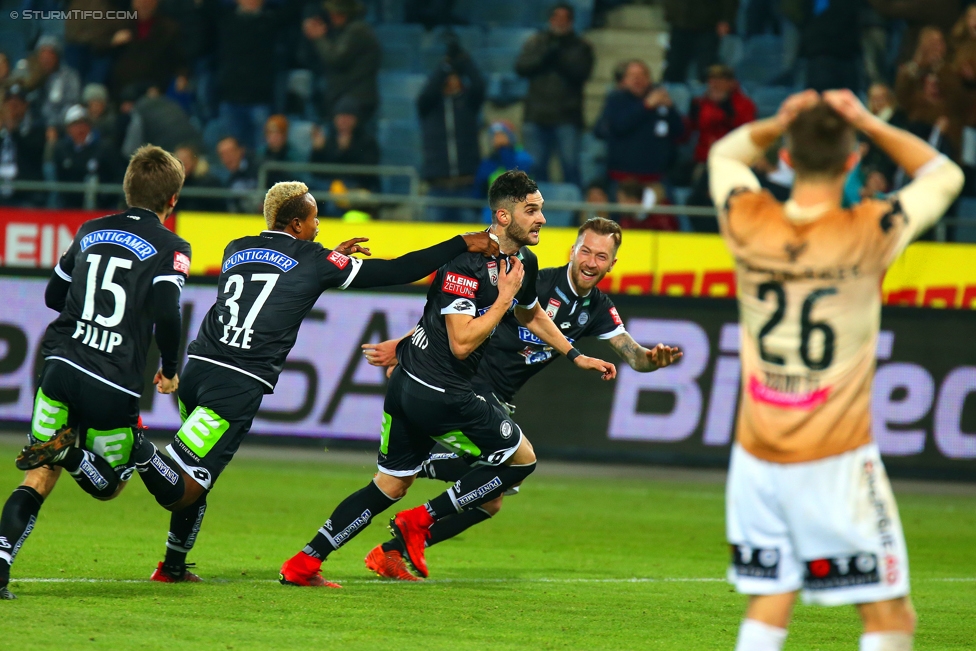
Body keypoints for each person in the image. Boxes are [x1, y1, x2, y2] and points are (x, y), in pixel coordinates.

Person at [118, 180, 500, 582]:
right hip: (235, 384)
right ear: (298, 223)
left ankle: (173, 566)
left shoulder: (236, 247)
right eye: (315, 219)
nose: (319, 226)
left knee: (199, 474)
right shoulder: (314, 259)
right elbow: (396, 270)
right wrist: (460, 242)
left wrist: (329, 259)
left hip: (200, 367)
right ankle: (133, 437)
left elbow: (273, 279)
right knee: (182, 489)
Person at [707, 89, 963, 651]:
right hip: (835, 458)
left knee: (771, 599)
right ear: (852, 161)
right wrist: (867, 120)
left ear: (787, 159)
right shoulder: (869, 228)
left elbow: (724, 156)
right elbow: (944, 174)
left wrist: (781, 120)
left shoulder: (749, 220)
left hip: (755, 455)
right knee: (890, 618)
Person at [278, 171, 617, 587]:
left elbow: (530, 313)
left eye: (541, 209)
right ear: (503, 216)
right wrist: (504, 299)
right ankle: (419, 521)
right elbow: (461, 342)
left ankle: (305, 561)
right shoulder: (467, 260)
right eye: (532, 210)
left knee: (389, 484)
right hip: (442, 391)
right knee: (520, 458)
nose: (541, 218)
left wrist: (574, 353)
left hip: (409, 385)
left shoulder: (523, 262)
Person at [360, 217, 682, 580]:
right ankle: (415, 481)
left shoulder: (597, 309)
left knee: (492, 499)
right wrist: (406, 346)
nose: (591, 262)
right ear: (572, 251)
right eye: (586, 251)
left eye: (602, 256)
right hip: (471, 383)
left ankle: (392, 550)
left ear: (612, 264)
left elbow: (634, 355)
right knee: (505, 475)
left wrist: (653, 362)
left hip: (500, 397)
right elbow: (459, 311)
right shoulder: (537, 281)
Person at [0, 145, 192, 600]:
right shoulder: (171, 246)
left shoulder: (88, 231)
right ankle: (69, 454)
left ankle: (0, 561)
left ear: (127, 188)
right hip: (112, 378)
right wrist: (168, 367)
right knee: (110, 484)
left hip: (60, 365)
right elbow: (168, 311)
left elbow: (52, 295)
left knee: (37, 477)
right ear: (173, 200)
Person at [515, 3, 594, 187]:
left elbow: (581, 73)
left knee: (570, 167)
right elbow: (521, 67)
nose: (559, 22)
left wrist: (559, 57)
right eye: (556, 18)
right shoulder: (537, 42)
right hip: (536, 115)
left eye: (564, 18)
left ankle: (574, 213)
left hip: (567, 116)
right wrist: (545, 56)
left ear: (571, 22)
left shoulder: (581, 46)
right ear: (550, 20)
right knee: (535, 170)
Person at [205, 0, 301, 151]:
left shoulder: (270, 20)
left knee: (261, 152)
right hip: (230, 98)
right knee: (232, 150)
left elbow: (294, 9)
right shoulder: (225, 18)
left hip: (260, 99)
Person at [418, 39, 485, 223]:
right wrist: (445, 66)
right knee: (434, 242)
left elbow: (479, 85)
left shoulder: (469, 104)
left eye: (455, 76)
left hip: (466, 185)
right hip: (437, 186)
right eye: (448, 77)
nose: (451, 81)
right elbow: (427, 92)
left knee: (470, 242)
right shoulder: (430, 106)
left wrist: (465, 61)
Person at [594, 60, 684, 186]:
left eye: (642, 75)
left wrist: (671, 108)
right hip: (623, 177)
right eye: (632, 76)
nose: (637, 79)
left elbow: (679, 132)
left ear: (649, 79)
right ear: (624, 80)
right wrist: (646, 105)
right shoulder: (615, 100)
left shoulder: (660, 102)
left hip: (655, 177)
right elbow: (619, 126)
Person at [686, 65, 757, 206]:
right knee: (697, 201)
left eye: (720, 80)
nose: (715, 84)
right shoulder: (700, 103)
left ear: (731, 82)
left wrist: (724, 106)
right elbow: (688, 132)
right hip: (705, 161)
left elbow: (746, 132)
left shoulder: (743, 104)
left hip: (734, 162)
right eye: (712, 80)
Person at [303, 0, 381, 122]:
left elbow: (335, 58)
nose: (332, 17)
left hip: (354, 102)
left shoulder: (357, 30)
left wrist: (319, 38)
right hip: (348, 100)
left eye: (336, 13)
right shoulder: (347, 30)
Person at [110, 0, 186, 99]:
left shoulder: (169, 29)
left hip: (156, 87)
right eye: (140, 2)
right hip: (122, 89)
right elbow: (102, 52)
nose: (143, 5)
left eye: (147, 2)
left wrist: (182, 76)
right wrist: (112, 42)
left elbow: (179, 59)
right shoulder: (121, 25)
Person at [53, 104, 119, 208]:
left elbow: (116, 176)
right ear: (68, 129)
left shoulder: (104, 148)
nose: (80, 129)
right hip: (70, 208)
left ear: (89, 125)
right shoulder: (61, 150)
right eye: (75, 125)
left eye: (83, 124)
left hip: (101, 207)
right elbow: (60, 179)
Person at [310, 97, 380, 193]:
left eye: (348, 118)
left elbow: (367, 173)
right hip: (327, 186)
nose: (344, 122)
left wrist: (346, 151)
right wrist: (317, 151)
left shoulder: (367, 141)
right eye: (341, 117)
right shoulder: (327, 137)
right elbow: (315, 171)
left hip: (355, 186)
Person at [661, 0, 736, 83]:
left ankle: (708, 94)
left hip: (708, 25)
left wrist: (726, 19)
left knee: (706, 69)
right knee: (674, 67)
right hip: (679, 24)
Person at [474, 121, 534, 221]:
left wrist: (504, 149)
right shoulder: (489, 162)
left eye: (502, 135)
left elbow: (516, 173)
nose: (498, 139)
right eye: (494, 136)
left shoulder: (523, 158)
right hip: (493, 211)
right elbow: (479, 188)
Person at [18, 36, 82, 128]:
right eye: (43, 55)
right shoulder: (28, 73)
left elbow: (72, 104)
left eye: (50, 54)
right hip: (31, 124)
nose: (46, 59)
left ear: (58, 56)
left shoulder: (70, 76)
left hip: (59, 125)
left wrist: (53, 124)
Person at [0, 85, 46, 207]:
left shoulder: (36, 128)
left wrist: (14, 131)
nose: (13, 106)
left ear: (26, 105)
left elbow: (33, 153)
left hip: (25, 195)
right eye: (9, 102)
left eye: (17, 103)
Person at [173, 143, 224, 212]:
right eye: (179, 159)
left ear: (195, 161)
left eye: (186, 158)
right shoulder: (172, 185)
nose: (183, 162)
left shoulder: (210, 183)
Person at [215, 135, 258, 214]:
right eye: (222, 154)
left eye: (230, 152)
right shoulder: (218, 178)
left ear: (241, 150)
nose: (227, 158)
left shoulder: (259, 169)